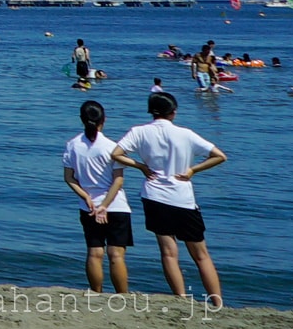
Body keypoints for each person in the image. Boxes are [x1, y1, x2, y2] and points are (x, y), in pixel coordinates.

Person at [112, 92, 227, 307]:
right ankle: (217, 302)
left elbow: (116, 153)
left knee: (168, 252)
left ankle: (181, 299)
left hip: (155, 195)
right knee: (201, 254)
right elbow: (219, 156)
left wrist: (140, 166)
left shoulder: (139, 132)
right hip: (183, 197)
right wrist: (193, 170)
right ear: (173, 112)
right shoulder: (185, 134)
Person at [63, 100, 131, 294]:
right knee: (116, 255)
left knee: (94, 253)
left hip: (89, 207)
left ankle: (96, 293)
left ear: (82, 120)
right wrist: (105, 205)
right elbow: (118, 181)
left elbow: (69, 178)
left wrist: (86, 197)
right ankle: (123, 296)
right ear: (104, 120)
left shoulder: (72, 145)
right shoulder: (112, 147)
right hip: (115, 206)